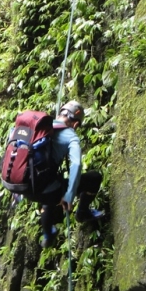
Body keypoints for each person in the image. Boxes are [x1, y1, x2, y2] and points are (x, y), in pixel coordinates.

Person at [33, 100, 102, 248]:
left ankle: (47, 234)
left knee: (50, 185)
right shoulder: (70, 135)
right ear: (76, 124)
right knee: (94, 177)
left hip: (22, 186)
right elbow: (76, 164)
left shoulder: (40, 126)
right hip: (42, 188)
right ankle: (82, 212)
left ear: (60, 113)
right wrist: (70, 194)